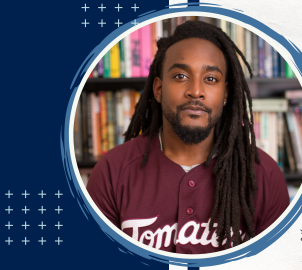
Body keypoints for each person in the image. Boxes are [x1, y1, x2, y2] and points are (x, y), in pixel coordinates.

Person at [87, 20, 289, 254]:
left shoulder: (263, 174)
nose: (195, 90)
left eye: (210, 79)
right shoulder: (112, 171)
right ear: (158, 89)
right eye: (181, 76)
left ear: (225, 94)